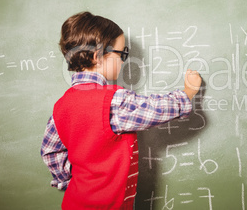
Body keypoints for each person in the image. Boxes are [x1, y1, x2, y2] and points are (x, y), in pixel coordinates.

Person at [41, 11, 201, 209]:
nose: (124, 60)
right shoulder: (112, 102)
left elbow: (50, 151)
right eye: (122, 54)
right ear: (96, 56)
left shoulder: (61, 105)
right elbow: (153, 109)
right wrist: (187, 93)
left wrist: (67, 179)